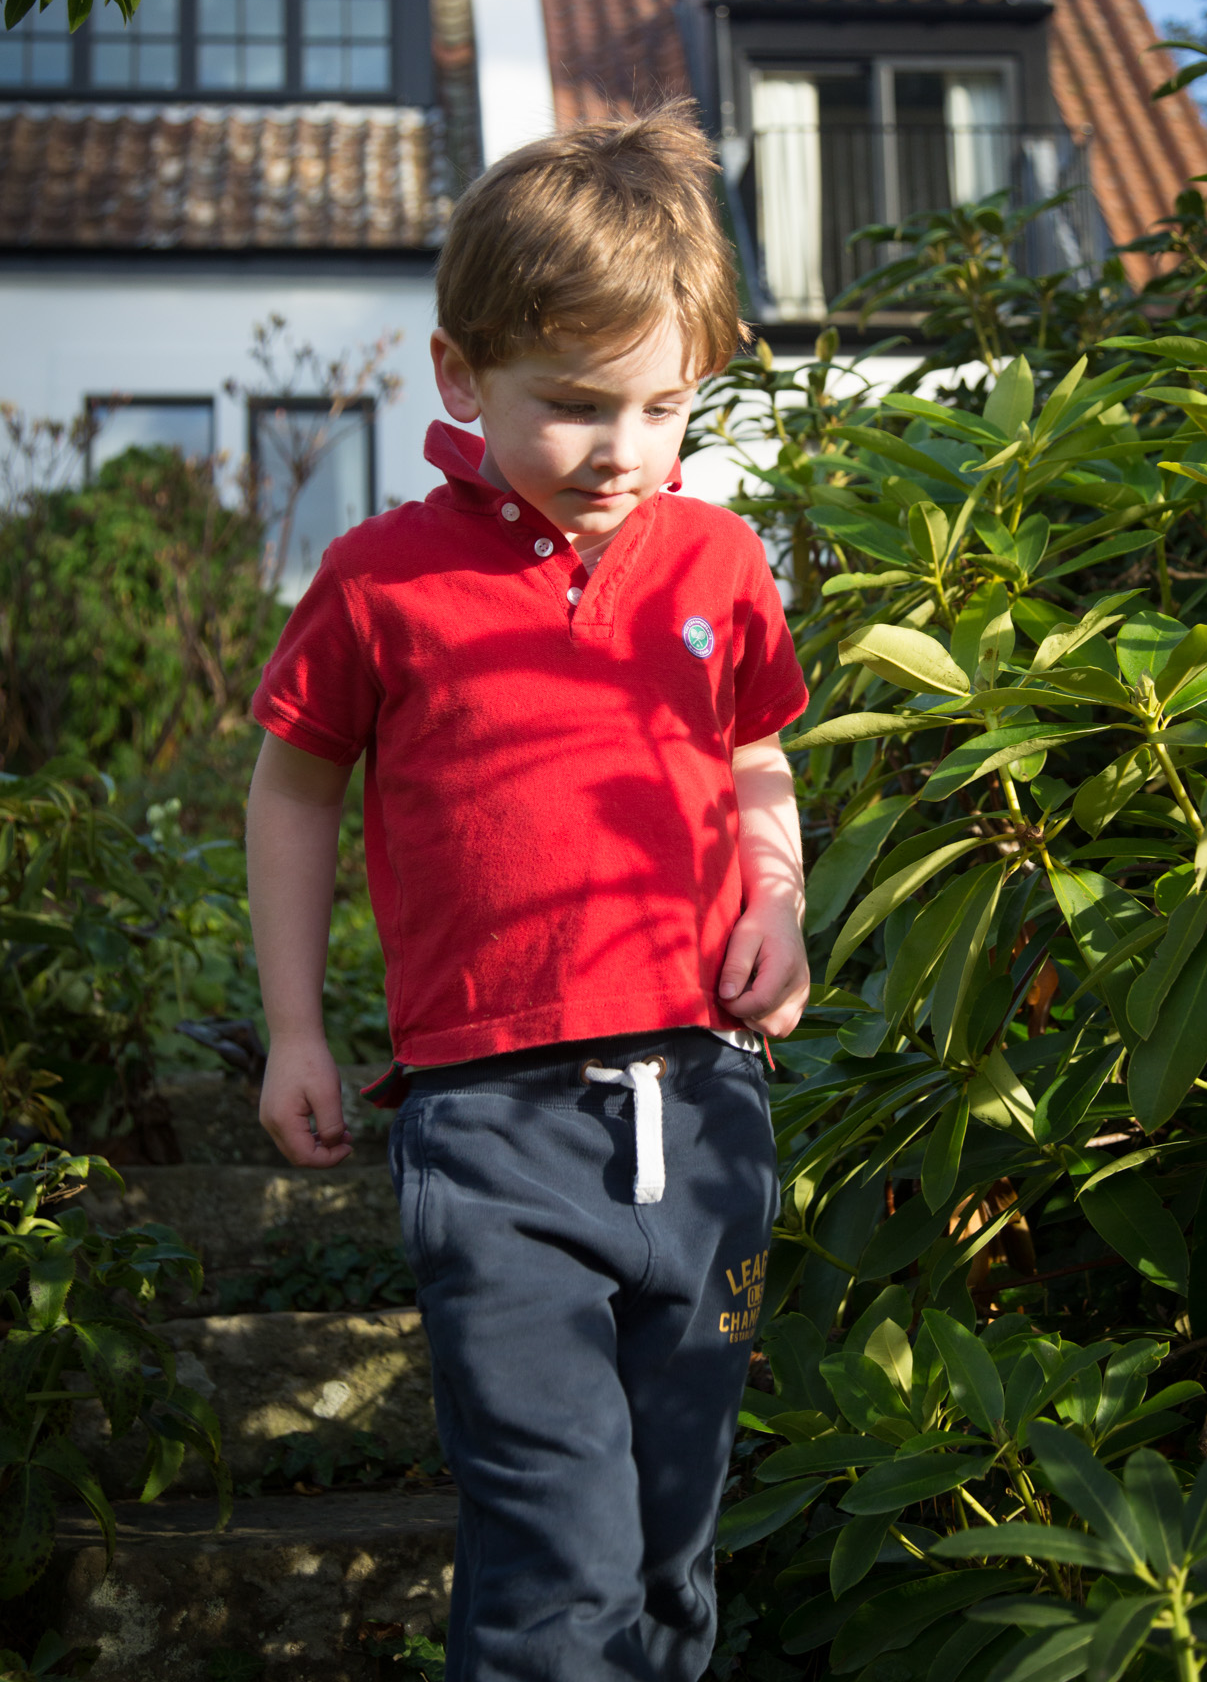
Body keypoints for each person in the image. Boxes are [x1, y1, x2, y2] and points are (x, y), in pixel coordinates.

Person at [245, 103, 811, 1682]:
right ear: (459, 376)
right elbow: (292, 790)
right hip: (491, 1122)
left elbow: (757, 750)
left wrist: (777, 897)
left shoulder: (719, 564)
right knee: (557, 1552)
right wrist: (297, 1029)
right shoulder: (381, 579)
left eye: (661, 409)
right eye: (572, 408)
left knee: (671, 1556)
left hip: (706, 1103)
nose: (622, 453)